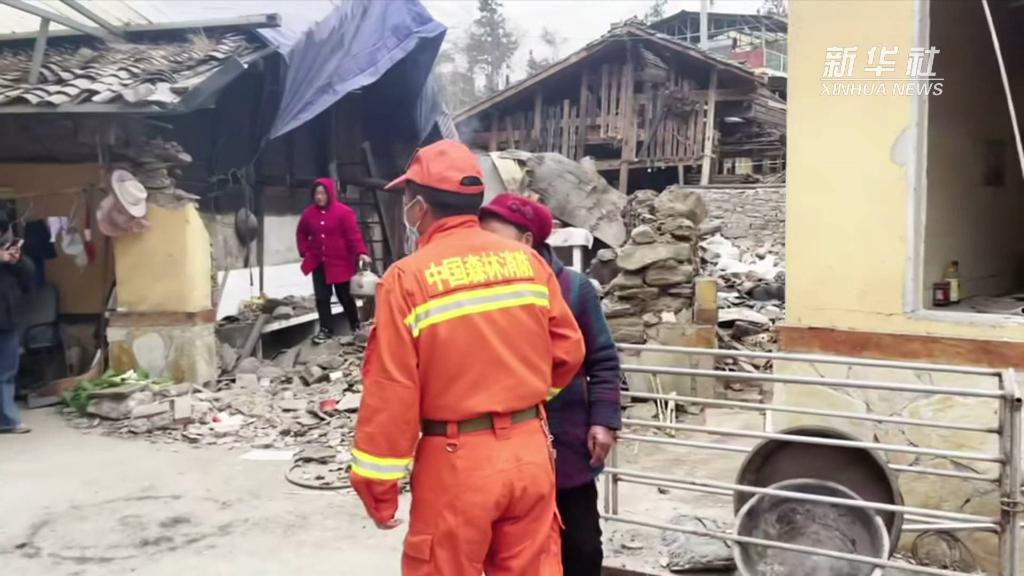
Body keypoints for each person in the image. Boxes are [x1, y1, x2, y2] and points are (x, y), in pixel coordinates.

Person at [349, 140, 585, 576]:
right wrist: (526, 396)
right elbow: (568, 350)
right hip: (531, 451)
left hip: (456, 462)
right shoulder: (528, 263)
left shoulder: (407, 279)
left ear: (419, 208)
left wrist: (378, 485)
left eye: (406, 199)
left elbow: (392, 391)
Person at [480, 194, 621, 576]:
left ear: (526, 241)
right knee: (515, 554)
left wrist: (603, 421)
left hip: (567, 445)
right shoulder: (482, 295)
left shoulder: (573, 288)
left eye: (493, 238)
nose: (484, 249)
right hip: (503, 450)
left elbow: (603, 360)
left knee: (582, 549)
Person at [296, 177, 372, 344]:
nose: (319, 197)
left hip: (340, 263)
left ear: (329, 194)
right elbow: (301, 233)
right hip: (318, 262)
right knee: (322, 297)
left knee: (345, 296)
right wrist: (305, 251)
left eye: (323, 193)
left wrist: (361, 252)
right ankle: (325, 330)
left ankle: (355, 325)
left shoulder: (344, 212)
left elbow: (353, 235)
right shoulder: (308, 214)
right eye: (316, 193)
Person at [0, 219, 34, 435]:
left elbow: (29, 282)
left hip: (7, 321)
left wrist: (18, 261)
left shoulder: (8, 250)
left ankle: (8, 421)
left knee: (6, 373)